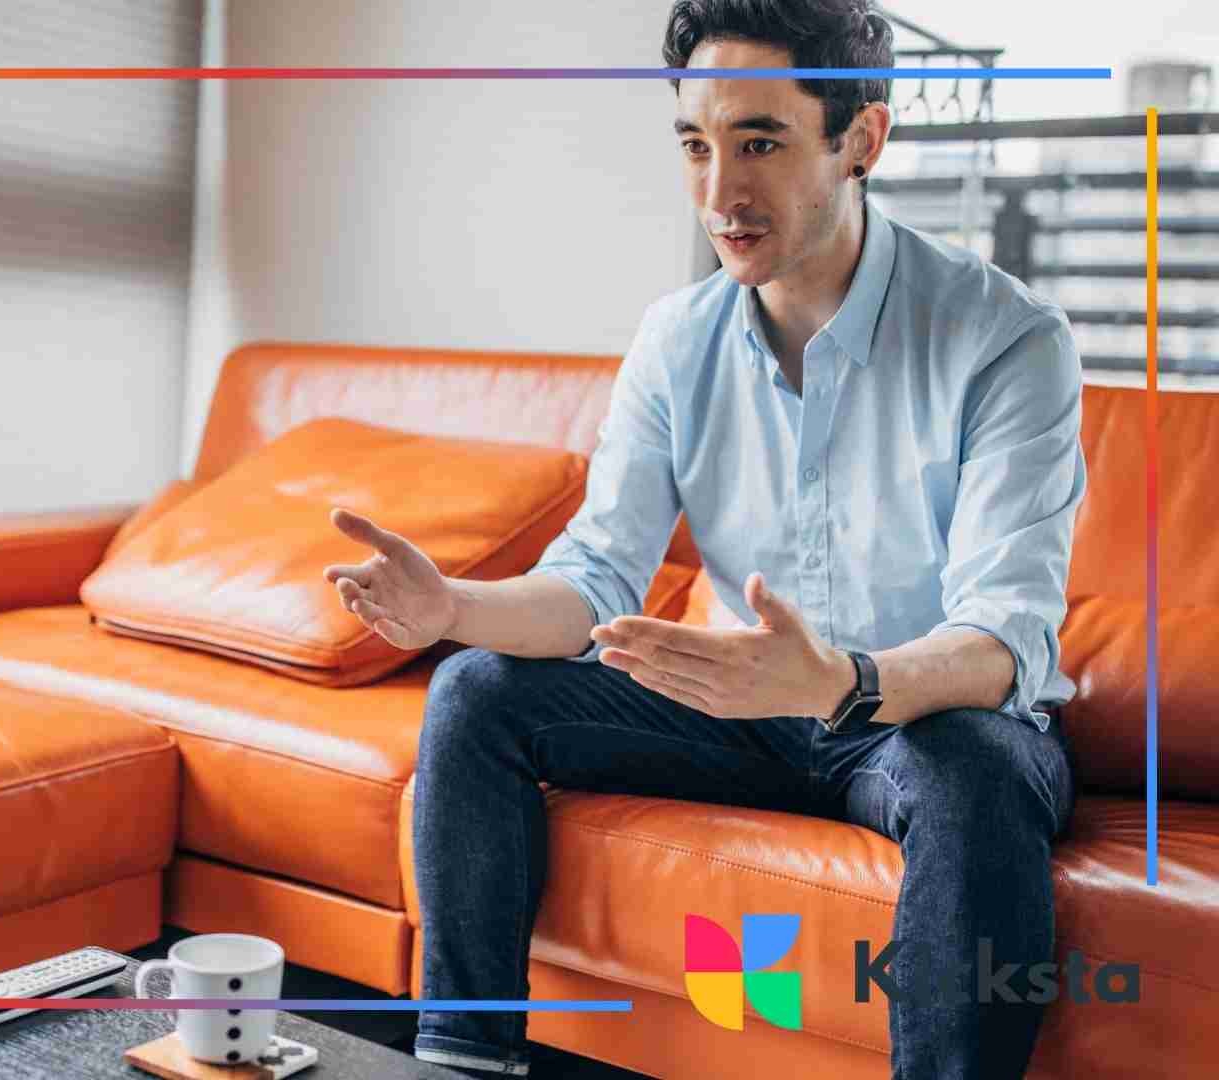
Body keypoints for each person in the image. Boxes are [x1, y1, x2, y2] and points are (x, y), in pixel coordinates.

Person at [321, 2, 1085, 1077]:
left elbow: (1003, 639)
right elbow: (595, 576)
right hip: (749, 714)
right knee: (476, 690)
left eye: (760, 142)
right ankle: (461, 1061)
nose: (720, 192)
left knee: (974, 772)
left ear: (861, 139)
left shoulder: (1006, 339)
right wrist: (455, 609)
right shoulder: (677, 339)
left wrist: (841, 680)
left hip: (925, 721)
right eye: (696, 144)